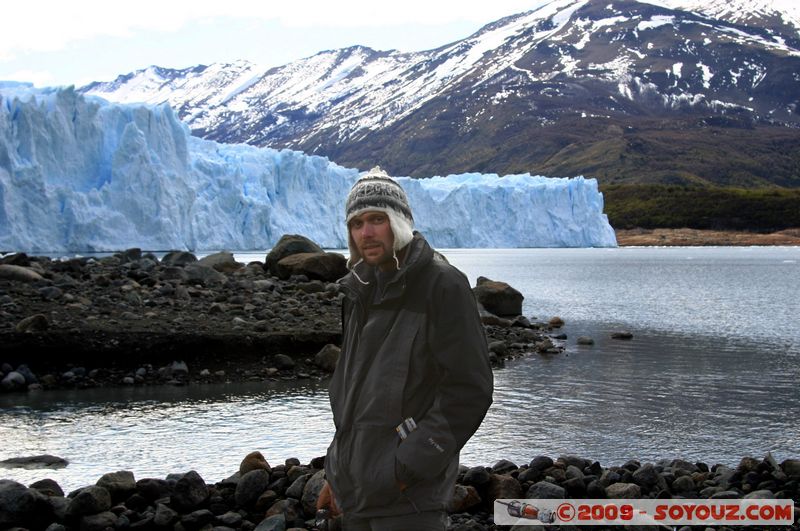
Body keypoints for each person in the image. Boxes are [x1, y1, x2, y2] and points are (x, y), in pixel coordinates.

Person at [319, 167, 494, 530]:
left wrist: (405, 468)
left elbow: (469, 391)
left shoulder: (441, 285)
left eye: (377, 219)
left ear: (398, 222)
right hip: (356, 495)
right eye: (357, 223)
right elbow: (353, 395)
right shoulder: (358, 290)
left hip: (409, 502)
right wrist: (335, 473)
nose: (366, 232)